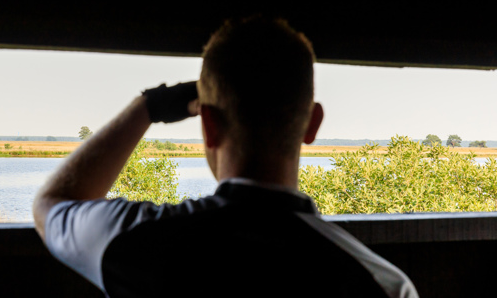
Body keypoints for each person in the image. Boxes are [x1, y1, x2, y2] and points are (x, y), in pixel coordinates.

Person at [33, 16, 418, 297]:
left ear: (209, 126)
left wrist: (151, 104)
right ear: (312, 124)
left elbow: (53, 205)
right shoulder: (383, 283)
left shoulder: (137, 242)